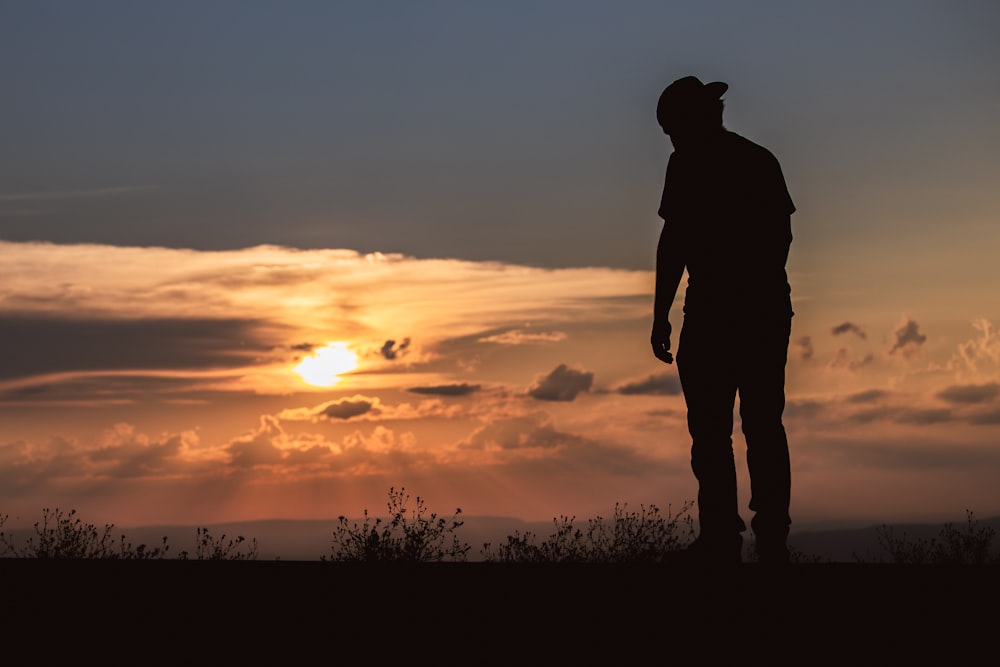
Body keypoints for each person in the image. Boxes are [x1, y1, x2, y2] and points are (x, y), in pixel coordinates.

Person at [651, 76, 795, 565]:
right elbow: (781, 238)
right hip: (748, 310)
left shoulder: (705, 164)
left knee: (727, 430)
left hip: (726, 311)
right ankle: (753, 540)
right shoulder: (756, 160)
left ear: (699, 117)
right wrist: (661, 313)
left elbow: (674, 245)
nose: (671, 139)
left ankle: (735, 539)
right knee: (749, 428)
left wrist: (662, 314)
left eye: (674, 128)